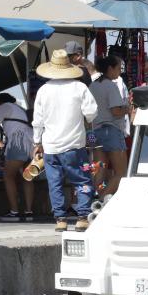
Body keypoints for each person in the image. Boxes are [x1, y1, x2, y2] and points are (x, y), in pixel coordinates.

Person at [32, 48, 100, 230]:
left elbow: (37, 120)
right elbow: (92, 113)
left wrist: (37, 143)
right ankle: (83, 216)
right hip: (74, 146)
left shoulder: (43, 90)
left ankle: (60, 220)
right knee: (83, 180)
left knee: (54, 183)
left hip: (50, 147)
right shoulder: (79, 87)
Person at [0, 92, 36, 221]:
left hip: (18, 142)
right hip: (31, 145)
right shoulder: (19, 109)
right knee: (27, 177)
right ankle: (29, 212)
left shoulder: (5, 107)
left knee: (8, 175)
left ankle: (14, 212)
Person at [88, 56, 131, 195]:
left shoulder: (93, 85)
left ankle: (94, 198)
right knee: (121, 173)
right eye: (118, 68)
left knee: (99, 169)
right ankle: (102, 200)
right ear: (110, 68)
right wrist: (128, 109)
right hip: (111, 130)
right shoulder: (111, 86)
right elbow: (116, 111)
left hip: (95, 131)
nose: (120, 72)